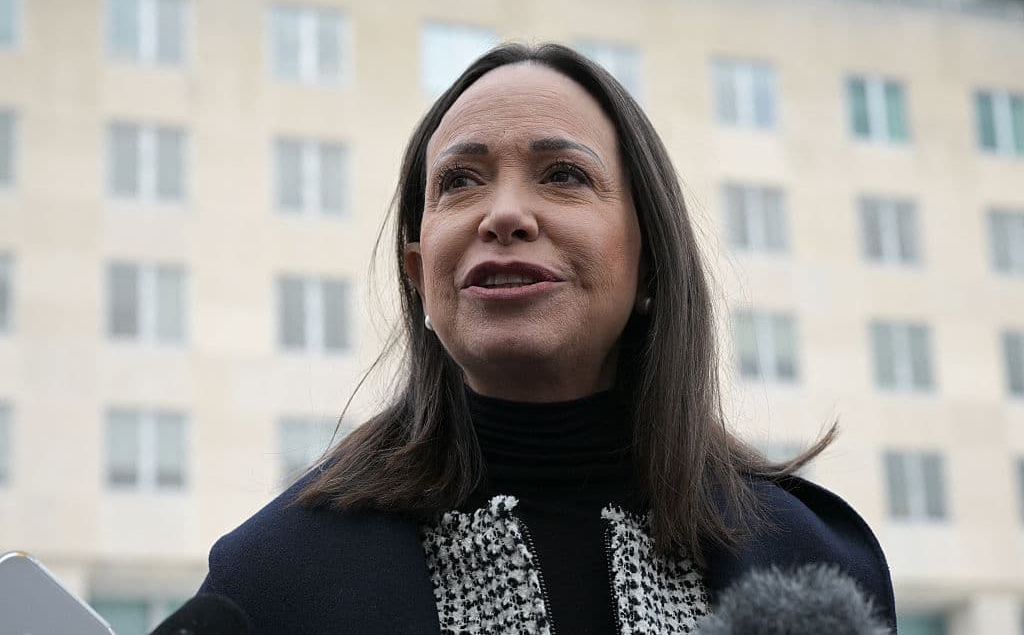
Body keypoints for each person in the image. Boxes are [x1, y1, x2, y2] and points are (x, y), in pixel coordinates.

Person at [197, 43, 896, 634]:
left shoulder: (814, 559)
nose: (503, 215)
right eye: (460, 181)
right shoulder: (270, 579)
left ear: (649, 258)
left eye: (563, 175)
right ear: (419, 273)